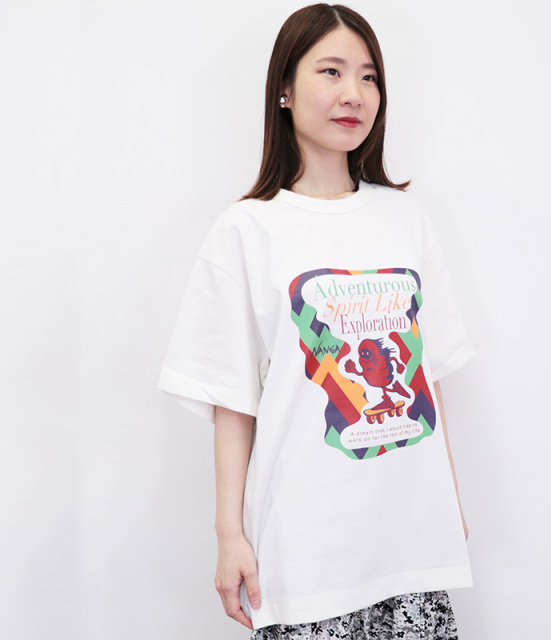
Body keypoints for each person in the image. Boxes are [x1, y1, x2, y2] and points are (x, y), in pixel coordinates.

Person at [158, 4, 475, 639]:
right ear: (284, 88)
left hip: (409, 545)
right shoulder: (246, 230)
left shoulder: (405, 218)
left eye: (368, 76)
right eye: (331, 71)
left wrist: (449, 507)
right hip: (307, 551)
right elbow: (232, 399)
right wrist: (229, 535)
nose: (354, 93)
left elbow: (427, 380)